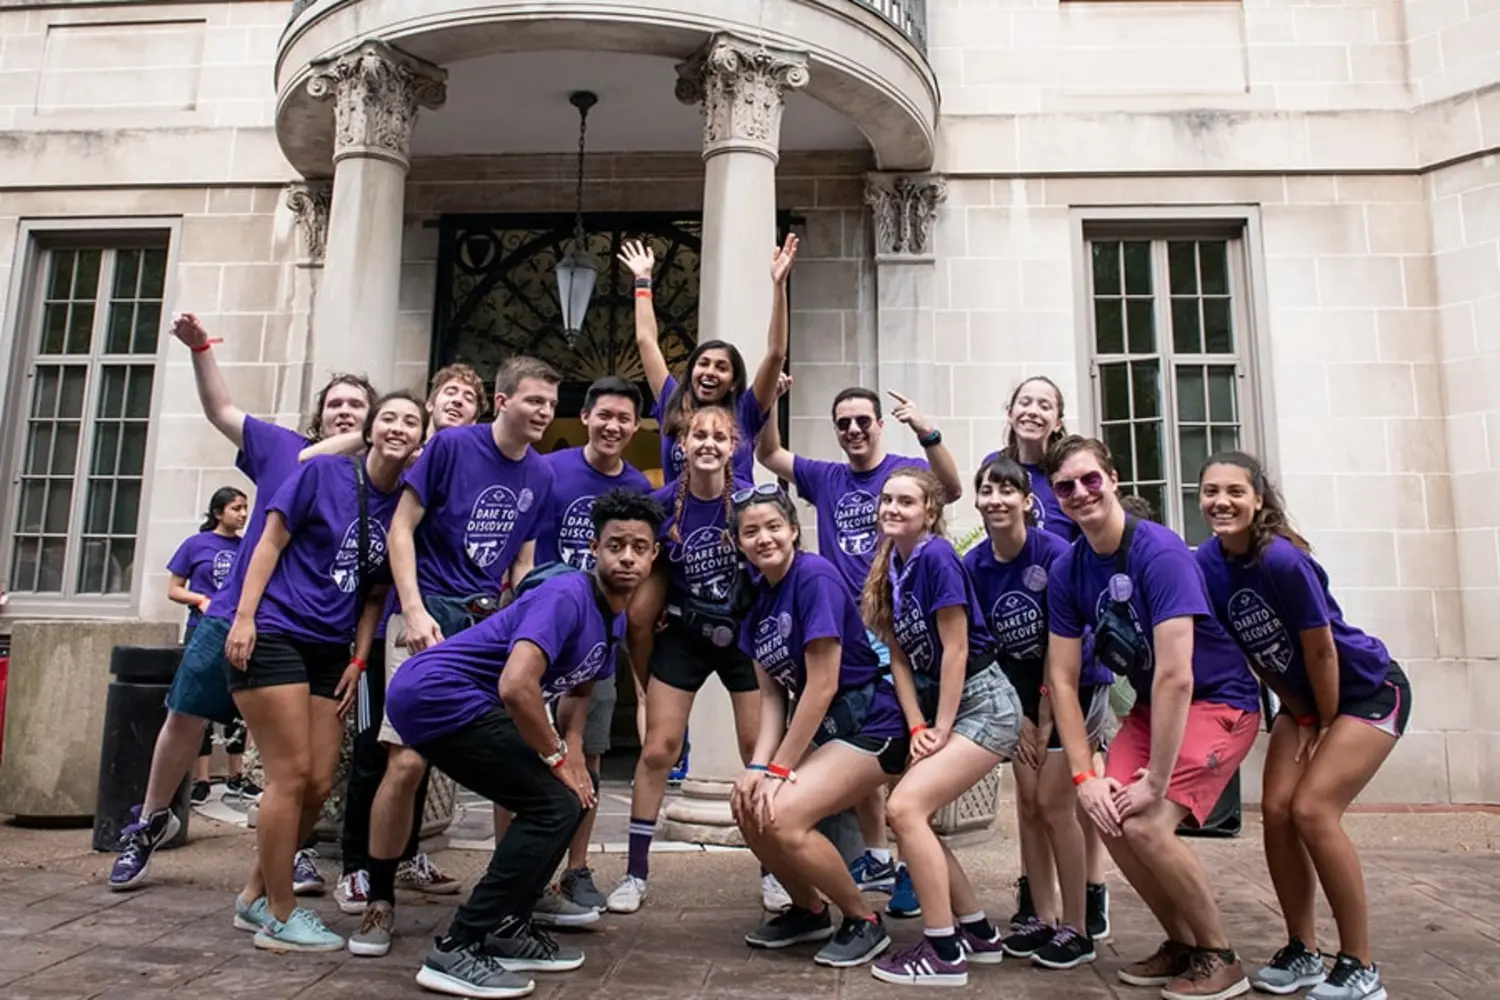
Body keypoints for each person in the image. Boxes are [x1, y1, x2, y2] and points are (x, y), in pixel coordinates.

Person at [109, 313, 374, 892]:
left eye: (358, 404)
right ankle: (149, 820)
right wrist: (201, 348)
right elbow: (219, 409)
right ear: (320, 412)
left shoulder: (371, 480)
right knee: (185, 714)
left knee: (300, 760)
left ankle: (294, 850)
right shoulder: (283, 448)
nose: (346, 411)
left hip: (311, 630)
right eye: (337, 403)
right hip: (237, 611)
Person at [383, 490, 664, 999]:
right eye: (615, 545)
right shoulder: (568, 596)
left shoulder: (612, 618)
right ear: (595, 550)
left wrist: (574, 752)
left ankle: (508, 924)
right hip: (436, 692)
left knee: (573, 797)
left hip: (459, 701)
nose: (627, 556)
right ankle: (459, 945)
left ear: (653, 556)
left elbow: (581, 690)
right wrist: (555, 757)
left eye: (639, 547)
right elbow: (517, 685)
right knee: (552, 803)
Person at [352, 356, 570, 954]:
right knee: (407, 763)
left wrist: (520, 626)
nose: (545, 412)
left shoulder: (544, 477)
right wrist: (415, 610)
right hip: (426, 615)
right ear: (503, 402)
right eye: (534, 401)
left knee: (517, 760)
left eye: (551, 404)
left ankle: (509, 902)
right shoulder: (451, 449)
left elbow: (523, 564)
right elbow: (402, 529)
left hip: (486, 627)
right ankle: (378, 899)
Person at [1044, 435, 1261, 1000]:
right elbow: (1063, 680)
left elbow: (1177, 675)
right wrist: (1084, 777)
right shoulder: (1069, 569)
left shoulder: (1157, 551)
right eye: (1066, 486)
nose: (1080, 493)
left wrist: (1157, 779)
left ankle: (1220, 955)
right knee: (1108, 814)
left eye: (1090, 479)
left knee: (1145, 819)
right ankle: (1183, 944)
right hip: (1150, 707)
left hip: (1217, 702)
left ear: (1112, 479)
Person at [1197, 452, 1407, 1000]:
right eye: (1211, 491)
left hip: (1365, 690)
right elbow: (1257, 654)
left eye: (1235, 491)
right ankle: (1303, 949)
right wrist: (1303, 714)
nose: (1222, 501)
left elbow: (1321, 650)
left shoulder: (1282, 560)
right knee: (1275, 811)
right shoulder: (1207, 565)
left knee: (1313, 809)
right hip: (1304, 700)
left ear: (1258, 500)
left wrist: (1325, 724)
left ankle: (1361, 965)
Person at [223, 392, 428, 951]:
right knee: (288, 777)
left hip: (331, 650)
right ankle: (282, 915)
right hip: (276, 633)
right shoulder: (324, 475)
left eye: (411, 421)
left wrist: (360, 659)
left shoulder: (405, 508)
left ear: (420, 441)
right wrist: (243, 618)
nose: (398, 427)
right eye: (388, 416)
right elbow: (269, 541)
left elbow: (372, 597)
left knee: (317, 783)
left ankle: (253, 898)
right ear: (370, 427)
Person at [756, 382, 961, 905]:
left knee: (908, 748)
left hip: (894, 627)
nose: (853, 430)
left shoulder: (899, 471)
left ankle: (916, 863)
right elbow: (770, 454)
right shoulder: (826, 477)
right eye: (843, 423)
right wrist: (773, 399)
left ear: (879, 424)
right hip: (843, 630)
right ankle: (878, 854)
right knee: (865, 743)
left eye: (862, 421)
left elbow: (952, 489)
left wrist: (927, 431)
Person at [859, 467, 1023, 988]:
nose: (892, 508)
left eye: (905, 501)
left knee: (904, 808)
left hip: (985, 703)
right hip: (940, 709)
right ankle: (975, 932)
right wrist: (916, 727)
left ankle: (943, 951)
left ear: (929, 511)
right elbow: (899, 657)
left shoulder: (937, 557)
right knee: (917, 816)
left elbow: (956, 650)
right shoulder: (893, 564)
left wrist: (944, 728)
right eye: (886, 499)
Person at [730, 486, 904, 968]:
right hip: (829, 729)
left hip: (873, 722)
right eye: (750, 531)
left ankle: (863, 920)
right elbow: (772, 697)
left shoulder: (815, 577)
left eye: (772, 527)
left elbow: (822, 685)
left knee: (783, 814)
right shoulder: (758, 597)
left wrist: (781, 770)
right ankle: (808, 909)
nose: (763, 538)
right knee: (747, 802)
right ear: (738, 543)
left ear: (792, 530)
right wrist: (759, 767)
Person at [335, 363, 486, 915]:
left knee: (422, 750)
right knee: (379, 748)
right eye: (449, 393)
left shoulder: (471, 466)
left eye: (469, 398)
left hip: (449, 626)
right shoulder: (407, 458)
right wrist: (395, 427)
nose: (458, 403)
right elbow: (313, 457)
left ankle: (406, 854)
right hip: (395, 621)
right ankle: (357, 866)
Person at [606, 406, 765, 915]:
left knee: (756, 751)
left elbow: (777, 553)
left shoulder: (747, 499)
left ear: (734, 445)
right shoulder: (660, 506)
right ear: (683, 443)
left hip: (742, 636)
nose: (709, 443)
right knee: (659, 750)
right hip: (685, 633)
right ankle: (634, 872)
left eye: (720, 436)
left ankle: (775, 869)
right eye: (700, 434)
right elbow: (637, 562)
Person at [963, 455, 1110, 971]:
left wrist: (1046, 712)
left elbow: (1062, 639)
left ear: (1028, 501)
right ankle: (1041, 917)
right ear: (978, 500)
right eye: (987, 490)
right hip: (1017, 691)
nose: (997, 499)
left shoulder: (1054, 554)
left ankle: (1078, 925)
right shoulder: (974, 564)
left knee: (1054, 804)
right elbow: (983, 645)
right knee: (1026, 803)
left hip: (1072, 685)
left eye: (1008, 490)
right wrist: (1019, 714)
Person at [533, 375, 652, 912]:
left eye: (625, 418)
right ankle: (521, 870)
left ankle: (576, 869)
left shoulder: (639, 490)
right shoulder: (548, 471)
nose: (614, 426)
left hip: (601, 644)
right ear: (584, 416)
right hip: (540, 635)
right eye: (605, 415)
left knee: (591, 754)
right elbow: (526, 545)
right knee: (526, 751)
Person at [168, 487, 255, 805]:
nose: (243, 514)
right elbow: (174, 589)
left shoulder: (249, 545)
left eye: (245, 508)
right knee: (198, 703)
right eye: (236, 508)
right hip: (201, 630)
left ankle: (237, 775)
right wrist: (200, 599)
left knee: (239, 704)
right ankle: (202, 778)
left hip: (238, 630)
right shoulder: (196, 545)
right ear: (218, 513)